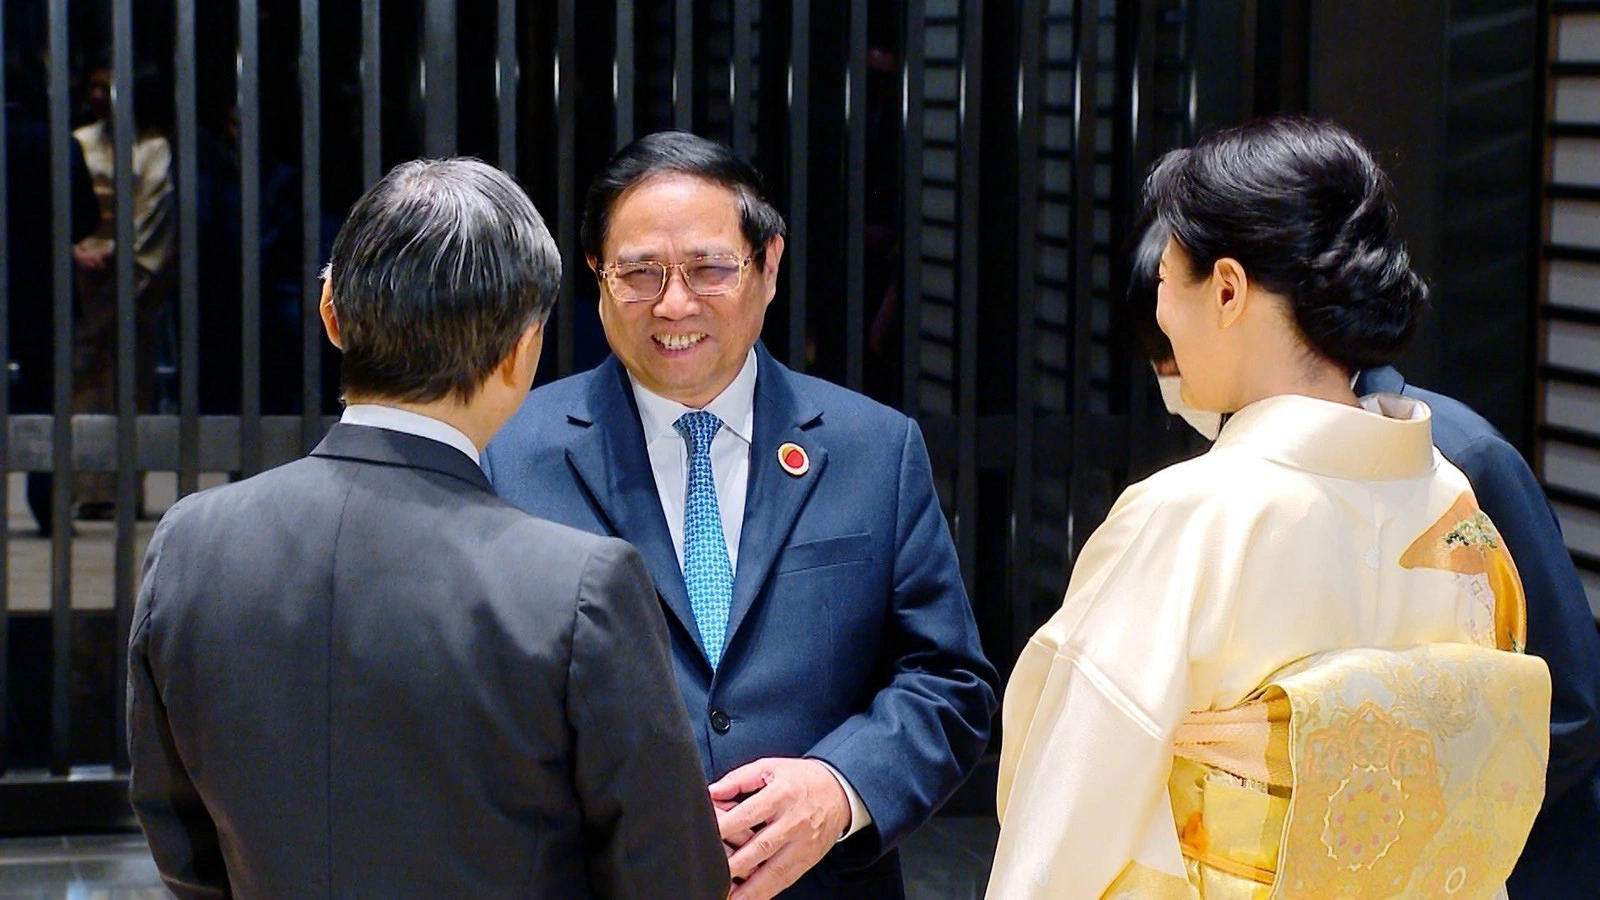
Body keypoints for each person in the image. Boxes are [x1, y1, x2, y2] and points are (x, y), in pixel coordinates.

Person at [127, 158, 727, 898]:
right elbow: (670, 878)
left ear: (331, 316)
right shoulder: (577, 587)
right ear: (522, 350)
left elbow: (180, 843)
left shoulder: (189, 544)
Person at [988, 116, 1551, 897]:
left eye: (1166, 284)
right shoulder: (1453, 507)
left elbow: (1066, 821)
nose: (1162, 315)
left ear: (1226, 289)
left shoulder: (1192, 517)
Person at [483, 131, 998, 898]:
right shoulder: (509, 452)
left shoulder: (873, 449)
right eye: (639, 273)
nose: (675, 302)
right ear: (597, 280)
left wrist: (838, 787)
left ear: (769, 266)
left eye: (709, 267)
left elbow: (947, 679)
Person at [1128, 211, 1600, 897]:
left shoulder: (1459, 463)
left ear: (1233, 299)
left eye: (1172, 341)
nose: (1172, 377)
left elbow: (1571, 702)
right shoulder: (1238, 476)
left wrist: (1424, 821)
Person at [71, 62, 175, 518]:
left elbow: (153, 212)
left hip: (127, 277)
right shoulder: (80, 139)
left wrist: (113, 255)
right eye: (94, 85)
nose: (101, 94)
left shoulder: (152, 147)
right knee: (84, 380)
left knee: (130, 381)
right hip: (82, 277)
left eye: (108, 85)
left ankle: (124, 491)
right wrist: (75, 250)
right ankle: (90, 490)